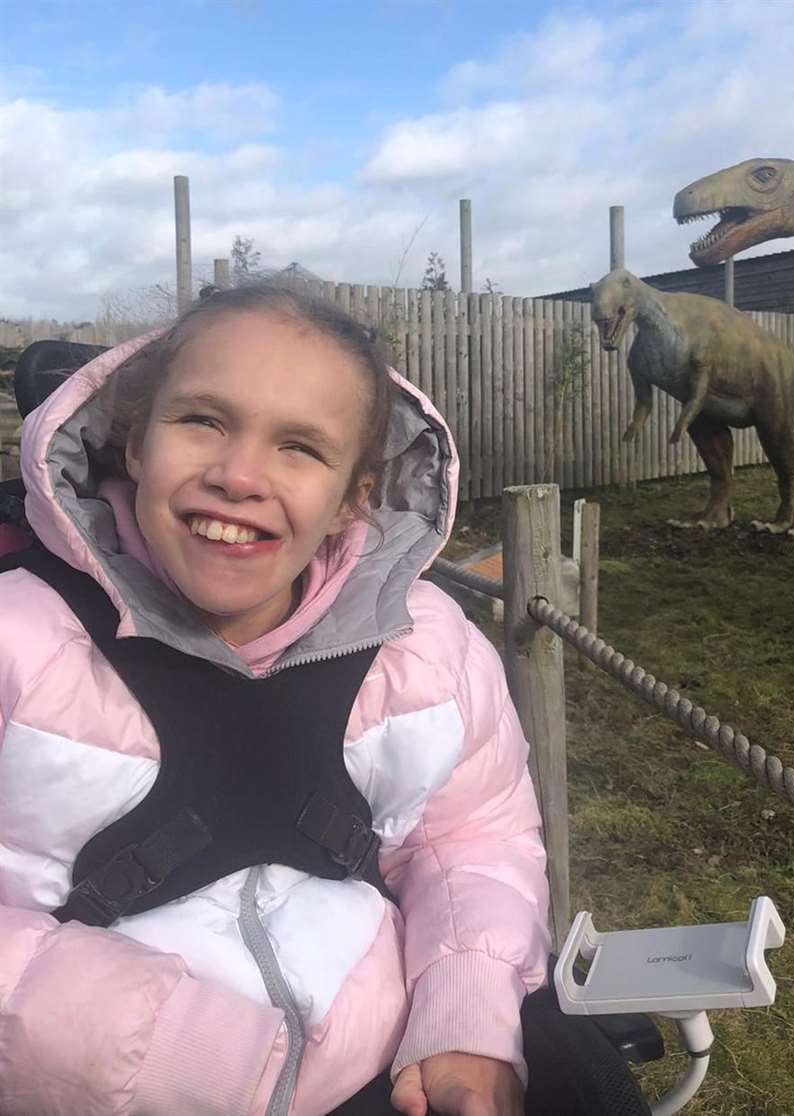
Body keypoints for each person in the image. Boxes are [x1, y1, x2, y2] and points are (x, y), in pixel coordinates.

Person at [0, 284, 552, 1116]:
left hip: (391, 1078)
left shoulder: (422, 650)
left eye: (300, 446)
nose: (240, 477)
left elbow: (472, 837)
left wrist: (466, 1015)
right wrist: (179, 1056)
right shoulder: (20, 644)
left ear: (354, 495)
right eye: (204, 422)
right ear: (139, 444)